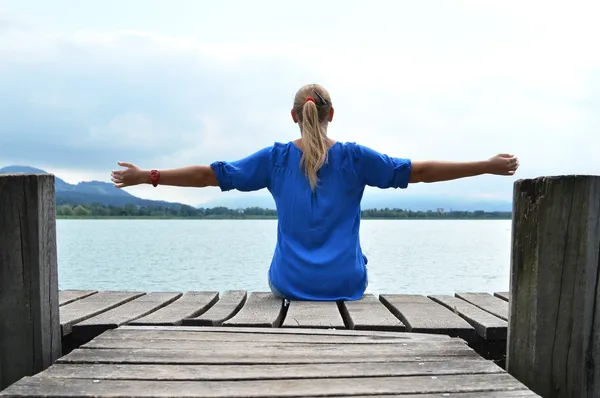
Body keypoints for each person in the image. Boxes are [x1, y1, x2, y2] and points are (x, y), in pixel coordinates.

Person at [111, 83, 519, 301]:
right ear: (331, 115)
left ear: (294, 116)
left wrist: (148, 175)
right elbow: (421, 172)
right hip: (346, 283)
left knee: (281, 271)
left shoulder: (273, 159)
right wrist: (485, 165)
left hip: (289, 282)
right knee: (356, 262)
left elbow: (207, 176)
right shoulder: (355, 158)